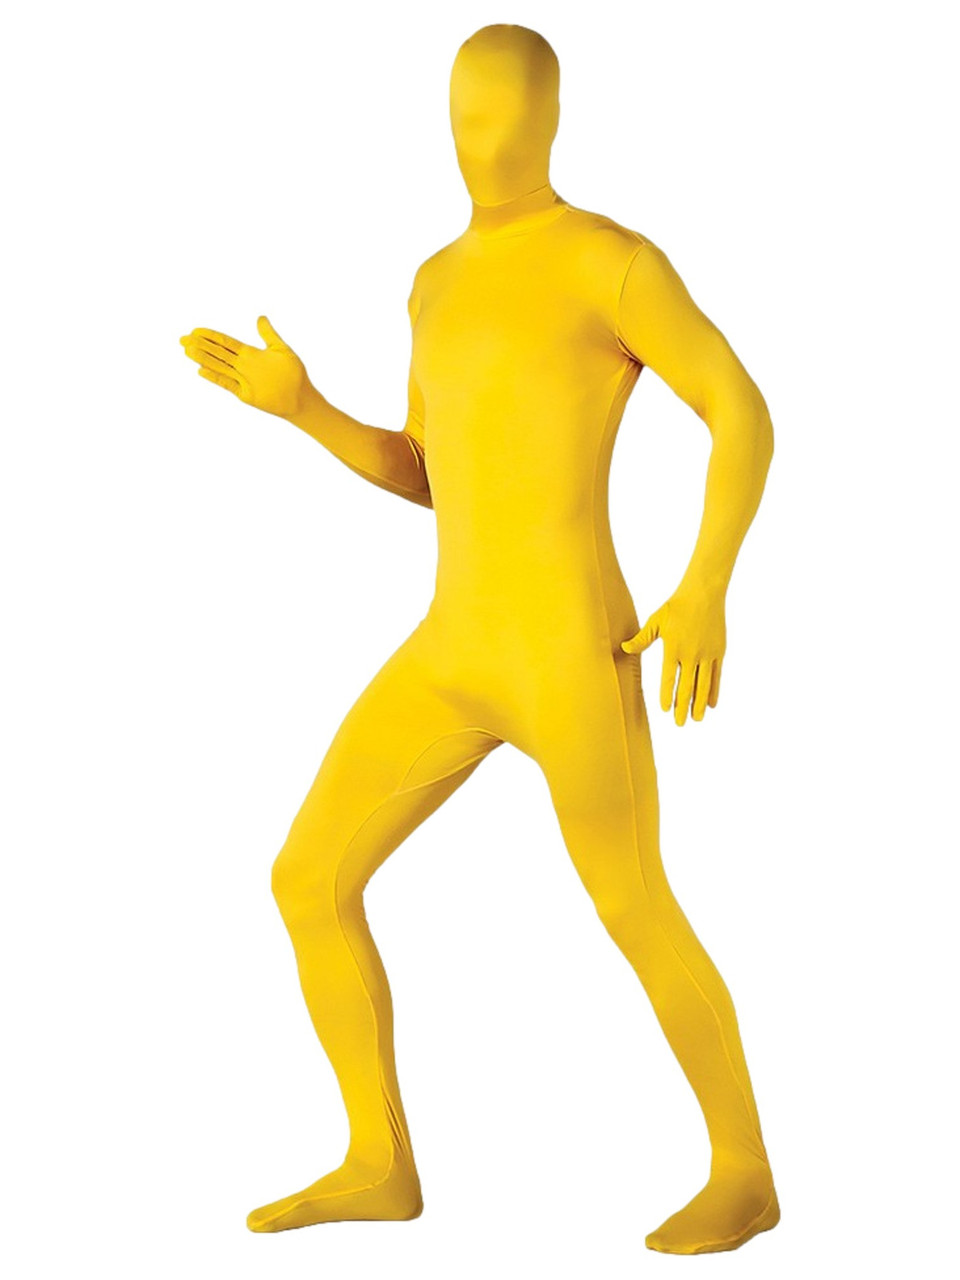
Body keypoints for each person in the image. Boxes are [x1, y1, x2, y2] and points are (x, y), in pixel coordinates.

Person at [180, 22, 778, 1255]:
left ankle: (744, 1169)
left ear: (550, 119)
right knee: (307, 878)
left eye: (502, 112)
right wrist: (304, 409)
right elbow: (428, 472)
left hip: (572, 651)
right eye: (461, 112)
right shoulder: (435, 279)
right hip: (455, 645)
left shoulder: (611, 261)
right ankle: (378, 1160)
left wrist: (706, 584)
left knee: (632, 903)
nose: (480, 136)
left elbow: (740, 407)